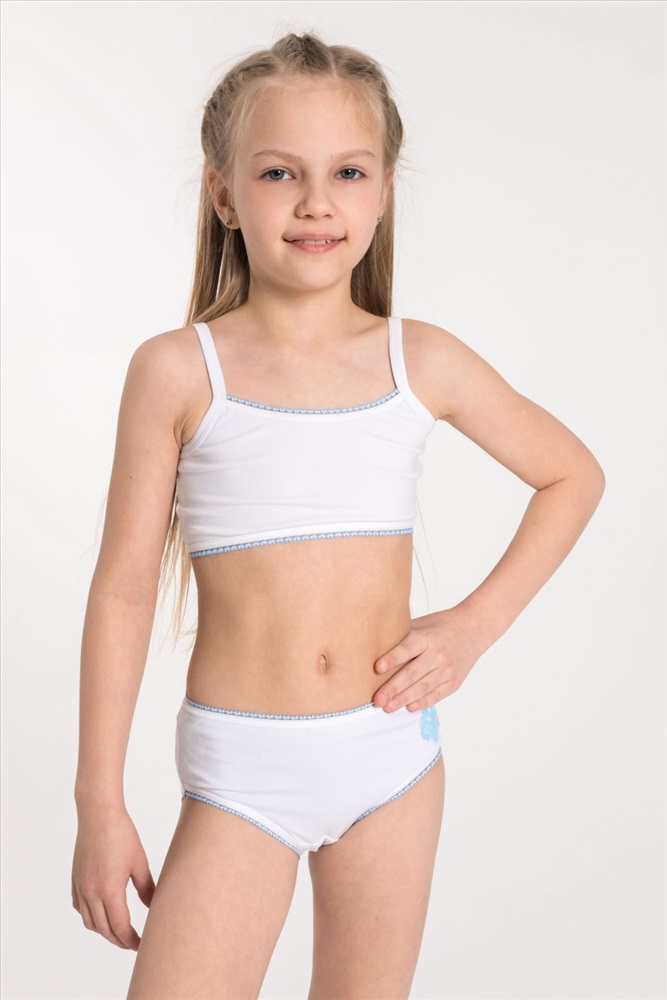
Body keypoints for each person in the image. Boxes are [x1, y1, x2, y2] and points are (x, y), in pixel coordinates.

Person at [71, 30, 605, 1000]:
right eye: (279, 172)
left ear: (383, 189)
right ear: (224, 192)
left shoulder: (419, 359)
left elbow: (571, 475)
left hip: (387, 761)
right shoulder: (179, 371)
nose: (316, 201)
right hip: (240, 775)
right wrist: (99, 803)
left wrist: (471, 627)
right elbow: (122, 592)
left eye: (348, 172)